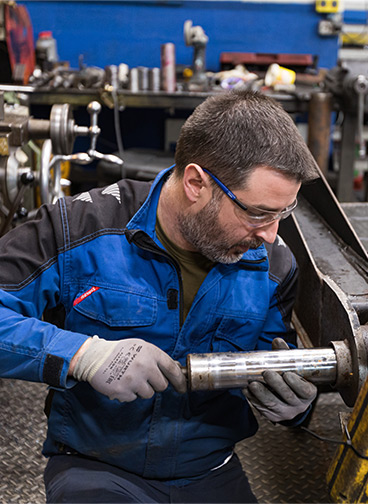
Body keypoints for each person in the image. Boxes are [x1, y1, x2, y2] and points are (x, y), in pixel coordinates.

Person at [0, 90, 320, 502]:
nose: (270, 234)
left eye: (282, 213)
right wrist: (83, 356)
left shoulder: (274, 266)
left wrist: (296, 407)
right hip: (98, 468)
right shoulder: (78, 228)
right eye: (257, 213)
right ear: (195, 183)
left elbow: (273, 364)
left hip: (209, 472)